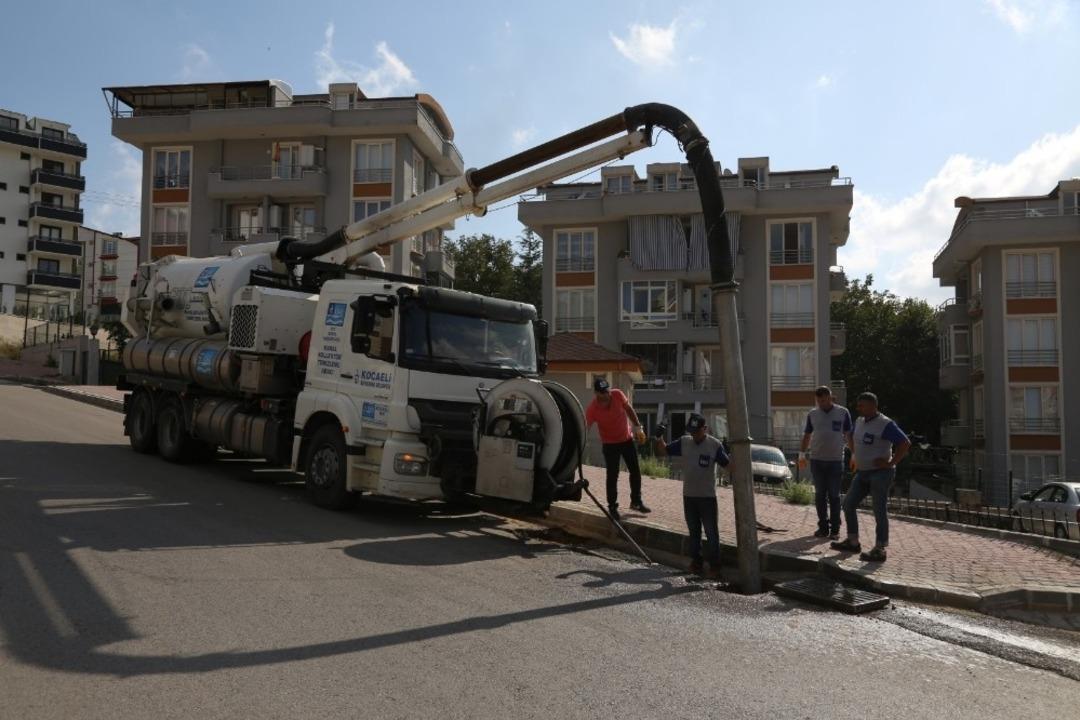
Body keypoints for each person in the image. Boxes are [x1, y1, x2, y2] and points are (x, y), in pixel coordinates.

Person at [830, 392, 911, 563]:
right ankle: (853, 541)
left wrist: (890, 463)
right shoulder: (859, 421)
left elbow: (905, 443)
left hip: (880, 474)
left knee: (879, 510)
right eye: (858, 405)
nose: (858, 408)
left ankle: (879, 549)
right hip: (863, 472)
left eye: (862, 405)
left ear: (873, 406)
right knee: (849, 504)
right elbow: (850, 435)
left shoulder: (885, 424)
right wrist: (854, 454)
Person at [652, 414, 731, 577]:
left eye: (697, 431)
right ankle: (697, 563)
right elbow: (662, 452)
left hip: (707, 497)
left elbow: (729, 466)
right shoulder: (685, 442)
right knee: (694, 532)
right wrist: (658, 437)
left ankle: (715, 565)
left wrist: (733, 451)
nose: (694, 435)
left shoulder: (714, 445)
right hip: (689, 496)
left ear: (705, 429)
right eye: (692, 431)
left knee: (711, 532)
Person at [585, 377, 650, 519]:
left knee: (635, 470)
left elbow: (629, 409)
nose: (607, 395)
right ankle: (612, 507)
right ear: (597, 393)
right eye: (603, 393)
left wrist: (638, 427)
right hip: (610, 445)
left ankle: (636, 501)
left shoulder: (617, 394)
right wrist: (582, 441)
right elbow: (586, 427)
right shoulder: (593, 409)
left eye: (607, 391)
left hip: (626, 439)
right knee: (613, 476)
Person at [800, 386, 853, 540]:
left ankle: (835, 529)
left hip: (836, 461)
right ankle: (823, 527)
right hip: (817, 460)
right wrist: (802, 454)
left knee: (834, 496)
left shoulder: (843, 412)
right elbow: (807, 435)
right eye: (818, 401)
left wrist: (854, 454)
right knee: (820, 495)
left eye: (824, 400)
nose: (821, 403)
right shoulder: (813, 414)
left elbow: (848, 434)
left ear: (831, 397)